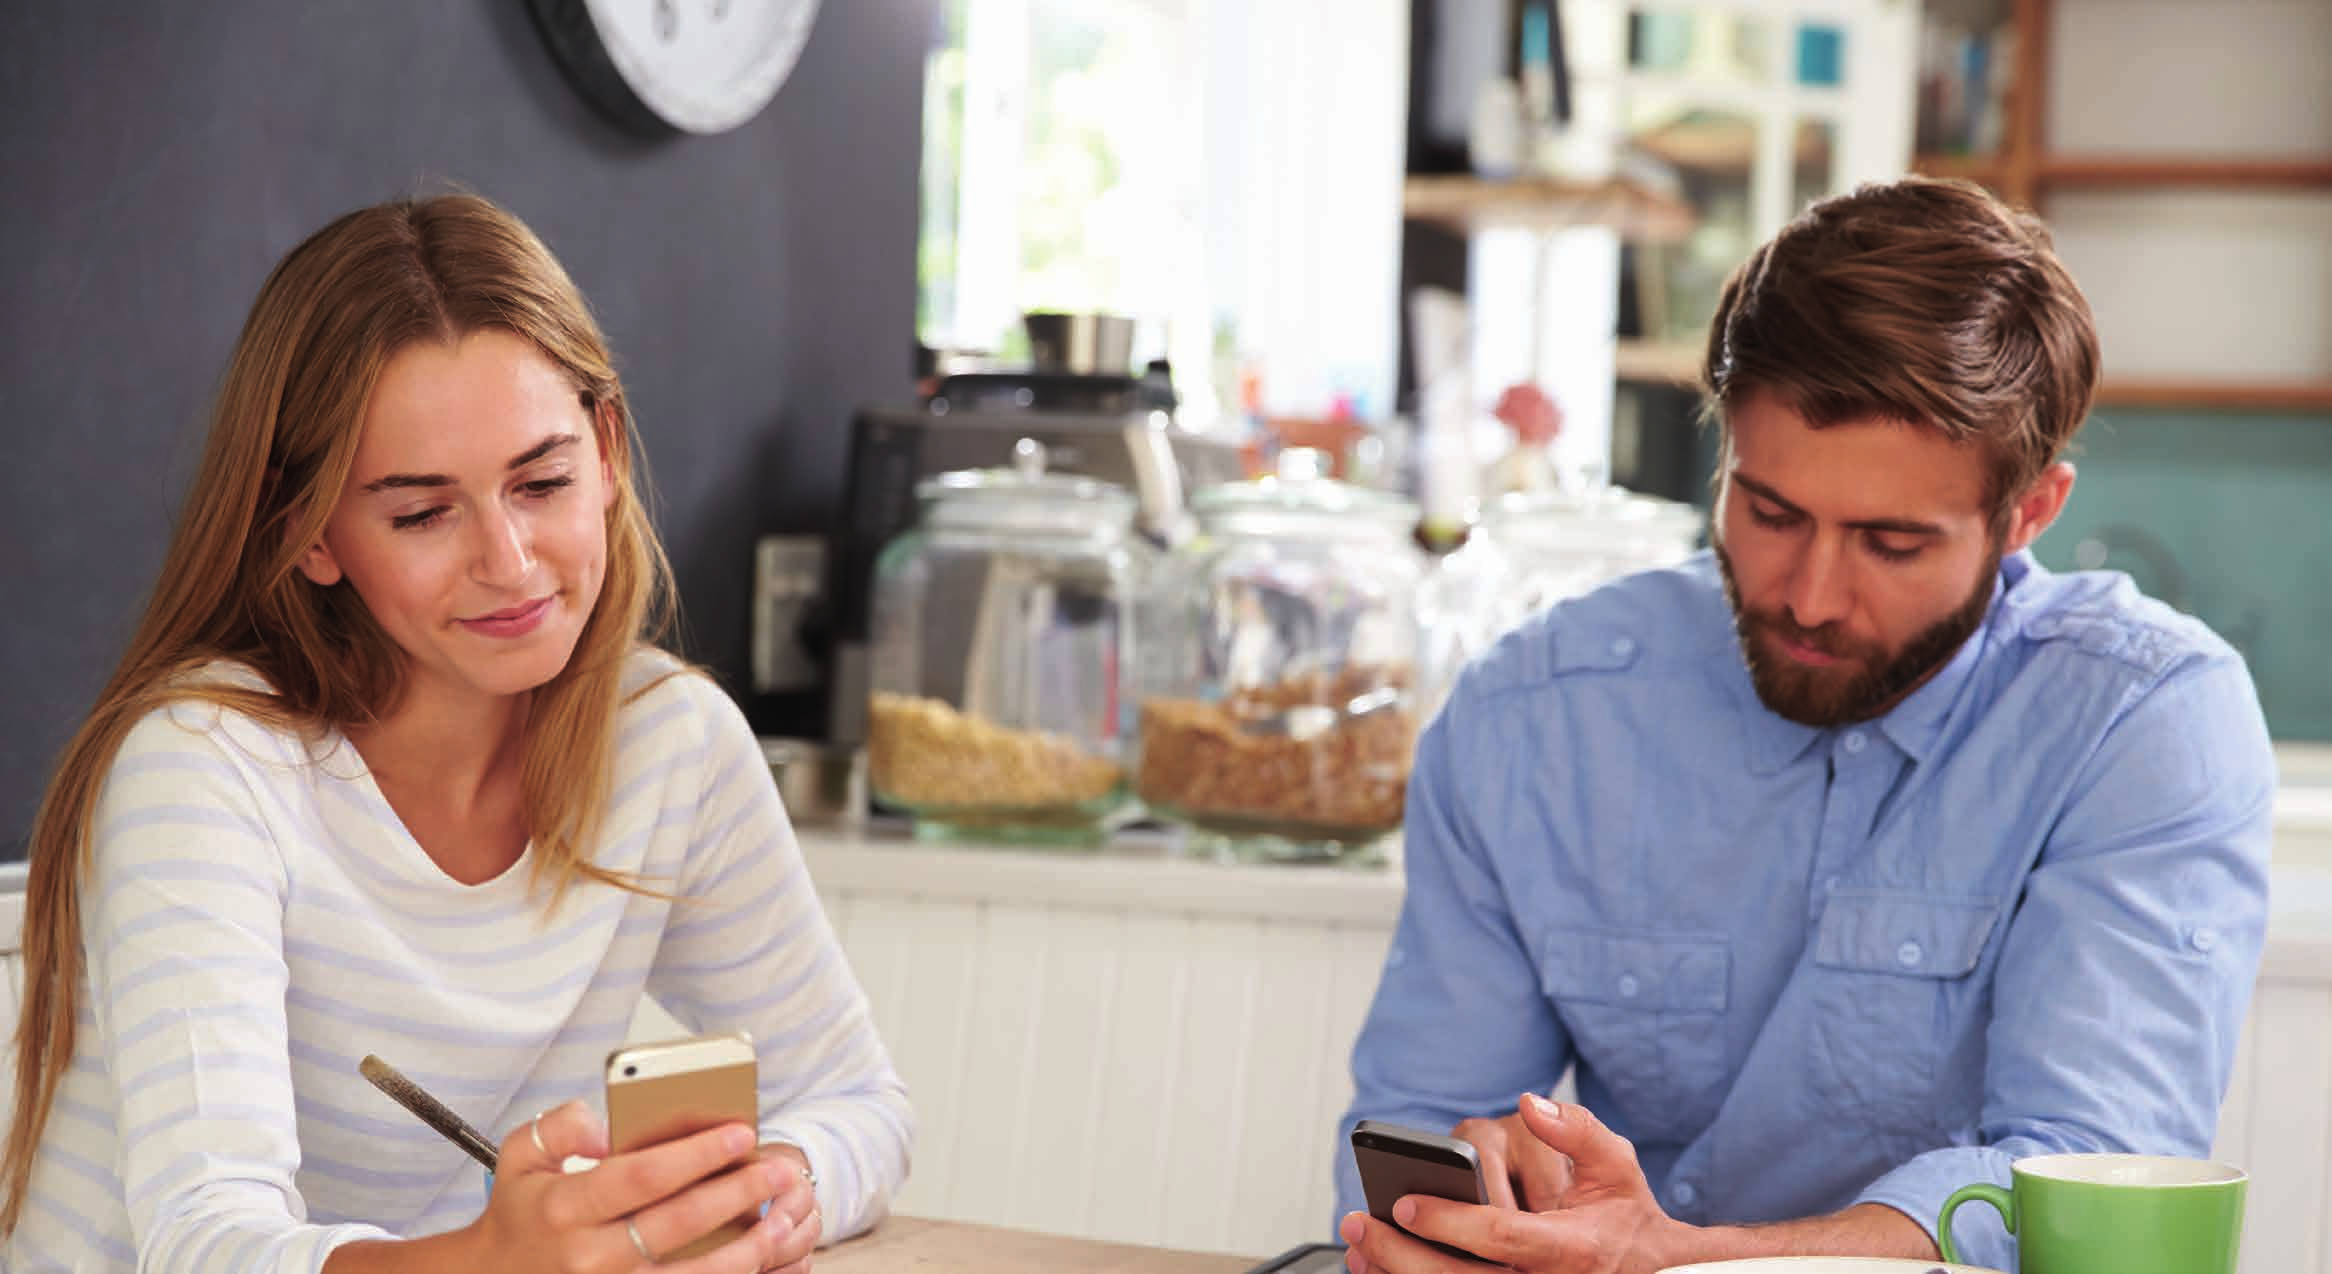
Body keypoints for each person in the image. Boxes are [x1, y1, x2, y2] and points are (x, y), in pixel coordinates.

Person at [1333, 177, 2273, 1274]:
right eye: (1769, 511)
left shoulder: (2142, 722)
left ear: (2027, 512)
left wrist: (1676, 1259)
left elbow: (2086, 1176)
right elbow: (1415, 1123)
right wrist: (1475, 1195)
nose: (1812, 595)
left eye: (1890, 542)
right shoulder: (1533, 714)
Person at [1, 194, 913, 1272]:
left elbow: (857, 1098)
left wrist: (776, 1191)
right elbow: (204, 1239)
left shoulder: (671, 743)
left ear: (607, 448)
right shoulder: (202, 767)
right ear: (308, 531)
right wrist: (494, 1257)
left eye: (542, 480)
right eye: (423, 512)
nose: (512, 561)